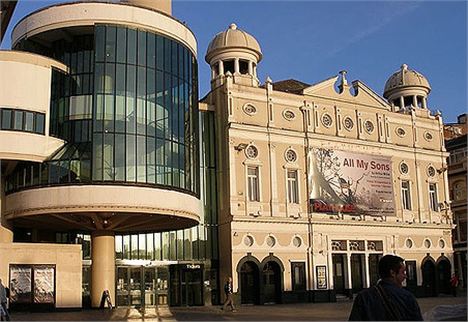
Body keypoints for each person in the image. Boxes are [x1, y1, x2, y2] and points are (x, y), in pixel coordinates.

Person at [349, 254, 423, 321]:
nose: (405, 276)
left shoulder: (363, 297)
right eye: (403, 272)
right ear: (392, 273)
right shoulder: (407, 298)